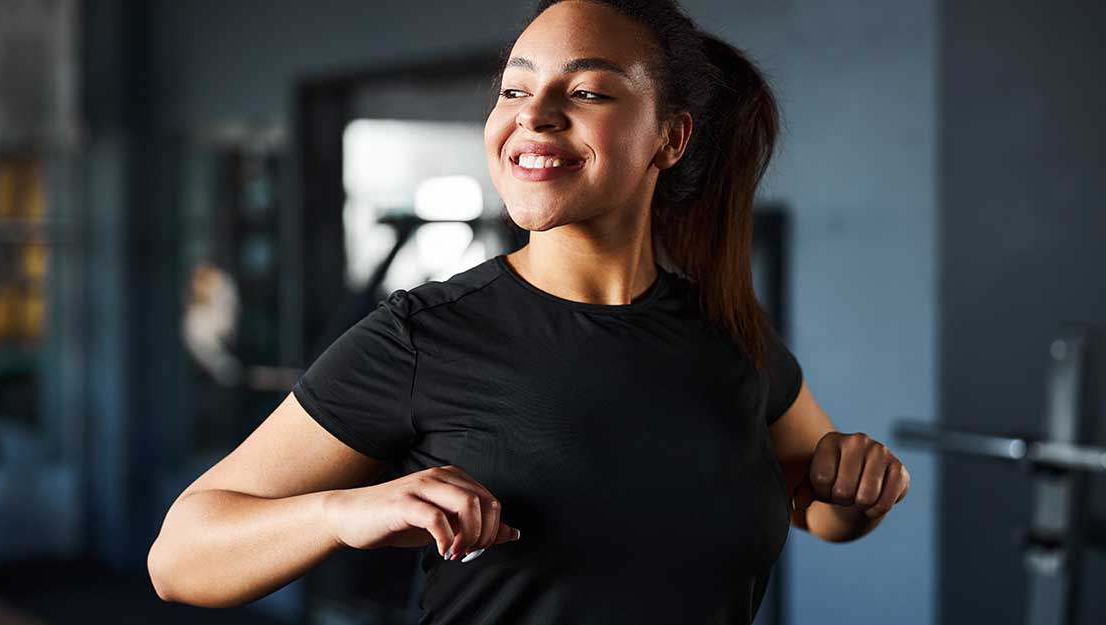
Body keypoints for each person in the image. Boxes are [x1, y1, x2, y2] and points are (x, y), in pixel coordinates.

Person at [147, 0, 911, 622]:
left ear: (670, 139)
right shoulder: (424, 336)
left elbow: (820, 506)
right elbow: (179, 557)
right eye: (515, 88)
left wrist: (859, 490)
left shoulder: (729, 333)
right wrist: (342, 512)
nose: (534, 115)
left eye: (587, 91)